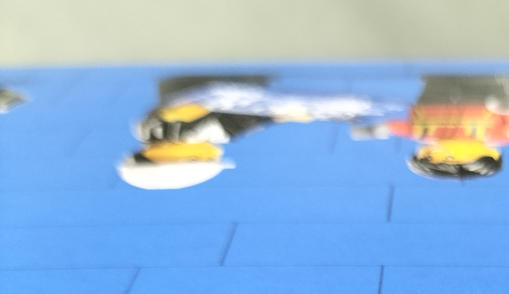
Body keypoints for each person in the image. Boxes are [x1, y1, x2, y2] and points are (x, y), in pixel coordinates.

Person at [118, 74, 405, 189]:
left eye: (205, 159)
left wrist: (293, 112)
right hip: (216, 91)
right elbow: (253, 120)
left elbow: (246, 116)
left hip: (220, 86)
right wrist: (291, 115)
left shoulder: (187, 129)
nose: (213, 154)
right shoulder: (152, 129)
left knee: (333, 104)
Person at [351, 73, 509, 178]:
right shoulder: (496, 135)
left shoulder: (425, 133)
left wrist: (373, 130)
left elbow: (397, 127)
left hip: (437, 88)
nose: (450, 155)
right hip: (481, 88)